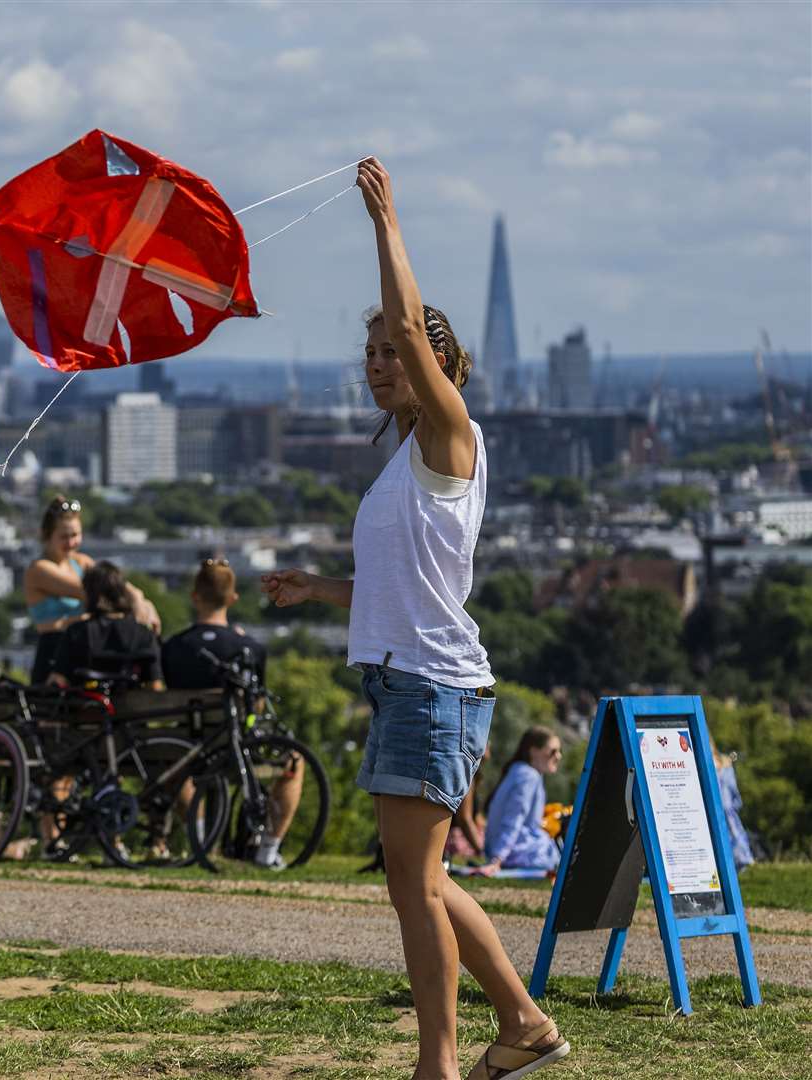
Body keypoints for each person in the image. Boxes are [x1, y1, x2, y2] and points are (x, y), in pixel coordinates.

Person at [261, 159, 568, 1080]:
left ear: (433, 366)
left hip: (433, 690)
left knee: (412, 890)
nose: (378, 363)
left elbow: (405, 318)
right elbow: (403, 589)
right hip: (413, 682)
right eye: (370, 357)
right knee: (421, 884)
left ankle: (437, 1064)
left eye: (392, 354)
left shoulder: (449, 435)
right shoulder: (403, 463)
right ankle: (521, 1024)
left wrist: (386, 224)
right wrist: (319, 591)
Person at [162, 558, 301, 870]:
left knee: (175, 768)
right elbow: (259, 705)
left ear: (194, 596)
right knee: (295, 762)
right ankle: (267, 851)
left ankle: (200, 841)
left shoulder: (172, 647)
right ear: (233, 598)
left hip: (185, 747)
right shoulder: (249, 647)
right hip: (235, 749)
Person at [23, 496, 160, 686]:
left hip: (82, 653)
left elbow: (117, 585)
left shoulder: (81, 562)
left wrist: (141, 600)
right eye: (64, 536)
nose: (71, 542)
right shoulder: (39, 569)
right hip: (53, 653)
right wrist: (135, 600)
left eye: (76, 535)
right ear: (47, 535)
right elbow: (100, 590)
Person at [47, 561, 163, 690]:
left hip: (87, 706)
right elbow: (155, 686)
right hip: (132, 708)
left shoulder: (76, 632)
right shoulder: (144, 634)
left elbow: (58, 680)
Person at [476, 727, 562, 876]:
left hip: (504, 848)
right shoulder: (529, 776)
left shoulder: (518, 771)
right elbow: (514, 818)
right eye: (553, 751)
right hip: (515, 853)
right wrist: (497, 859)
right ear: (533, 751)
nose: (559, 756)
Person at [713, 746, 755, 870]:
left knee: (734, 832)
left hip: (725, 807)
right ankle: (742, 859)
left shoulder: (723, 764)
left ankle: (743, 859)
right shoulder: (724, 764)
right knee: (733, 832)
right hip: (725, 807)